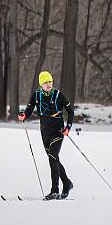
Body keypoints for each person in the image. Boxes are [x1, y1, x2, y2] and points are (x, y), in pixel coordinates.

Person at [18, 71, 75, 200]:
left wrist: (68, 127)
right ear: (41, 84)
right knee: (54, 159)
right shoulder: (36, 95)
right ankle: (67, 183)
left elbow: (70, 111)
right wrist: (24, 115)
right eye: (45, 82)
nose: (48, 84)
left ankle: (55, 190)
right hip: (44, 131)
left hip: (58, 130)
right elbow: (29, 110)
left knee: (52, 157)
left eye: (50, 82)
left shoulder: (58, 95)